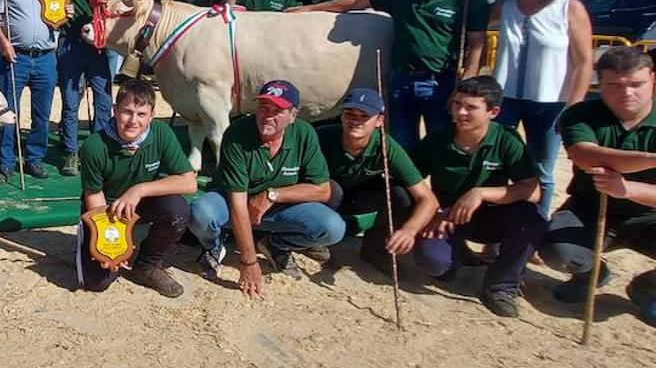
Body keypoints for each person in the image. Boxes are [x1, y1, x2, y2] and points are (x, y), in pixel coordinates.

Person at [299, 0, 491, 153]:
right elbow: (358, 2)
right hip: (401, 80)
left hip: (442, 82)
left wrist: (464, 85)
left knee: (443, 144)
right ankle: (404, 187)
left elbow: (477, 44)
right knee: (401, 144)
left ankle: (439, 188)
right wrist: (308, 9)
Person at [189, 80, 345, 296]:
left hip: (278, 206)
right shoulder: (237, 135)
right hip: (235, 201)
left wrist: (273, 195)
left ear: (293, 115)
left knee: (333, 228)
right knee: (201, 213)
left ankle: (276, 245)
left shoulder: (305, 134)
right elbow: (237, 202)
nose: (267, 115)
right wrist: (249, 261)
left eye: (277, 110)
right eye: (263, 107)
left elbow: (323, 189)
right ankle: (214, 247)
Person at [539, 47, 656, 327]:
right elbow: (585, 155)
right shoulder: (582, 115)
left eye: (636, 84)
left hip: (649, 214)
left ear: (653, 79)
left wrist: (626, 188)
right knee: (557, 250)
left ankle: (647, 287)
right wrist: (651, 159)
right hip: (590, 208)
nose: (626, 93)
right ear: (599, 84)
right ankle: (591, 275)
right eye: (614, 85)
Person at [411, 76, 544, 318]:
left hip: (493, 215)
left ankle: (501, 287)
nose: (460, 112)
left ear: (493, 112)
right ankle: (457, 254)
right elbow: (413, 181)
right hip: (448, 217)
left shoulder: (506, 139)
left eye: (470, 107)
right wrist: (434, 210)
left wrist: (482, 193)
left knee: (530, 219)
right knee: (435, 264)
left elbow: (532, 190)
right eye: (456, 104)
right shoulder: (438, 139)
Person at [491, 0, 593, 217]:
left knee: (542, 169)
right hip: (505, 99)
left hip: (550, 103)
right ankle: (494, 234)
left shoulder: (568, 8)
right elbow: (471, 26)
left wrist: (573, 108)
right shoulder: (506, 6)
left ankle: (534, 230)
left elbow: (584, 62)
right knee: (496, 165)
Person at [77, 79, 196, 298]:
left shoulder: (161, 133)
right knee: (98, 281)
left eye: (141, 114)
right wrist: (108, 244)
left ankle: (147, 264)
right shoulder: (94, 146)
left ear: (152, 115)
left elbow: (189, 182)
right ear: (115, 111)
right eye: (127, 112)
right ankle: (95, 241)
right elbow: (94, 194)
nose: (133, 120)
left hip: (141, 203)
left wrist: (139, 189)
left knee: (177, 209)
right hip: (107, 210)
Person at [318, 88, 439, 275]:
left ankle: (375, 250)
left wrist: (409, 230)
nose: (355, 121)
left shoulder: (387, 147)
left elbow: (428, 199)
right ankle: (317, 243)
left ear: (379, 121)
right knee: (330, 189)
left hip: (360, 198)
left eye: (364, 116)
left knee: (402, 194)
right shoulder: (322, 137)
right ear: (341, 116)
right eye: (350, 114)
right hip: (325, 197)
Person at [0, 0, 58, 181]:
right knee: (8, 110)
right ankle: (6, 163)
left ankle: (34, 159)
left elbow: (56, 14)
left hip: (46, 57)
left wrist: (65, 15)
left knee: (42, 112)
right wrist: (4, 43)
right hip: (15, 56)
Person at [50, 0, 115, 176]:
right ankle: (71, 152)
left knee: (103, 97)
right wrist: (58, 11)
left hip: (97, 45)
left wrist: (112, 0)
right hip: (69, 43)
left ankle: (98, 150)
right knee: (70, 99)